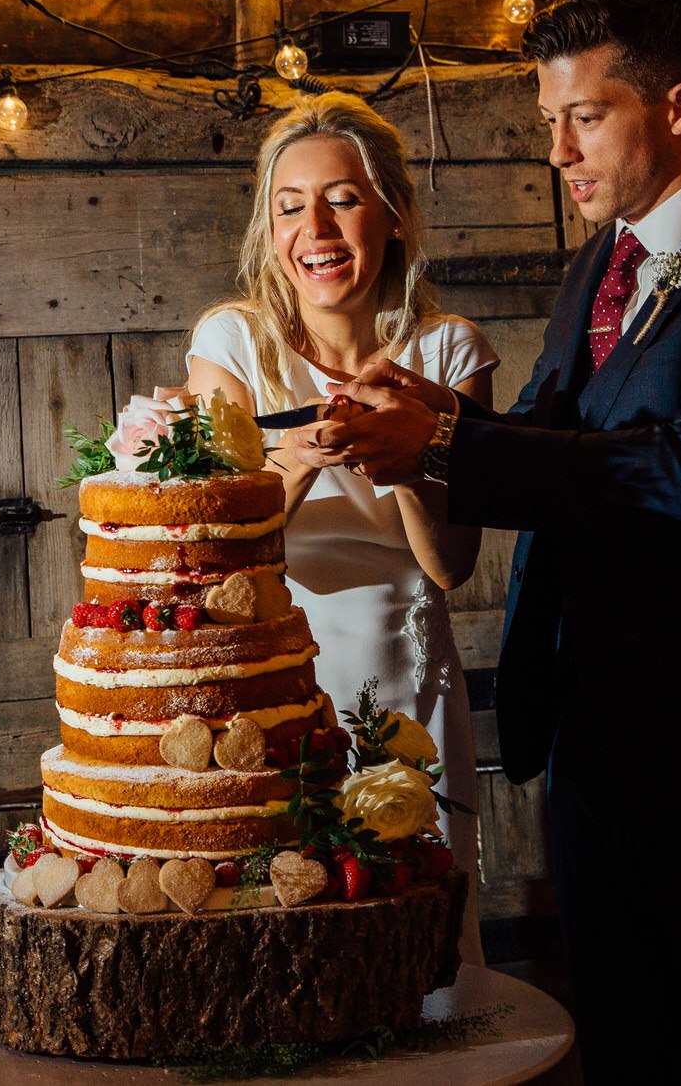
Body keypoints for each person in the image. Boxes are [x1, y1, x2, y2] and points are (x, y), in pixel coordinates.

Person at [314, 0, 681, 1083]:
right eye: (547, 123)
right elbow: (564, 438)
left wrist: (442, 448)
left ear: (675, 107)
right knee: (630, 1051)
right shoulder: (599, 264)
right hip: (594, 743)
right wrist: (443, 416)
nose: (557, 151)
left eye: (581, 118)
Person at [111, 90, 496, 963]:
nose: (313, 225)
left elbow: (449, 564)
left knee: (409, 937)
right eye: (289, 205)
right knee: (278, 937)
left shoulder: (449, 354)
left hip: (406, 683)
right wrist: (303, 459)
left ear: (391, 215)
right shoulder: (235, 343)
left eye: (343, 199)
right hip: (266, 680)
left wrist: (397, 449)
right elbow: (212, 553)